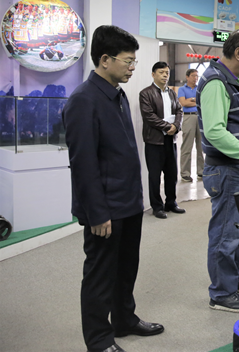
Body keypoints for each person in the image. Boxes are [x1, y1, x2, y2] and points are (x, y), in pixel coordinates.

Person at [62, 25, 164, 352]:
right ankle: (99, 340)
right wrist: (96, 213)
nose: (133, 67)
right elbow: (83, 164)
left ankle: (124, 319)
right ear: (105, 60)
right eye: (128, 61)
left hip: (128, 203)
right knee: (100, 274)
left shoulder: (117, 94)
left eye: (134, 61)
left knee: (126, 268)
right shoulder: (83, 100)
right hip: (105, 209)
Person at [197, 29, 239, 313]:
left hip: (238, 169)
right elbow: (214, 132)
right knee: (226, 233)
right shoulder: (216, 82)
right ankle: (222, 293)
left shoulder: (230, 80)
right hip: (227, 171)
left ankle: (231, 279)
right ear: (238, 53)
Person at [139, 61, 185, 219]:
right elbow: (149, 116)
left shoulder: (172, 93)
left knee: (172, 174)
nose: (165, 75)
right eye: (161, 72)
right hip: (154, 141)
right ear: (153, 74)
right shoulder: (146, 93)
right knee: (155, 176)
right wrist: (167, 127)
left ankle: (171, 203)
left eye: (167, 73)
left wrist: (176, 126)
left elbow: (179, 110)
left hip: (171, 140)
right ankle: (157, 207)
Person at [178, 68, 204, 182]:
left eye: (197, 76)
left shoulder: (200, 88)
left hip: (201, 117)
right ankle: (185, 173)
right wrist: (196, 100)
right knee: (187, 146)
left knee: (201, 146)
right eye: (193, 75)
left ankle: (201, 172)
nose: (195, 78)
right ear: (187, 77)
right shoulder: (182, 89)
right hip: (188, 117)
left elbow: (203, 101)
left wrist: (191, 100)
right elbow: (183, 102)